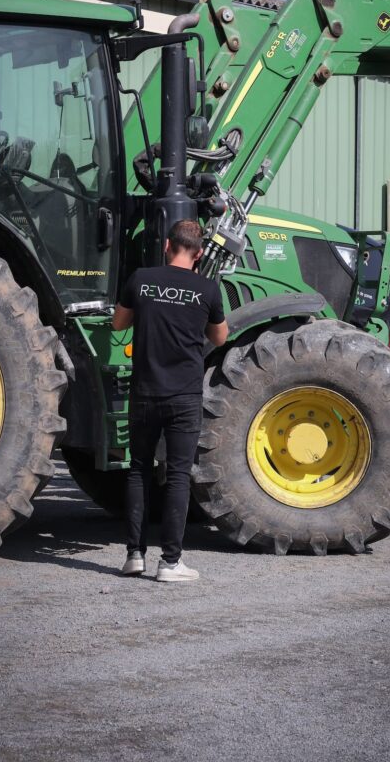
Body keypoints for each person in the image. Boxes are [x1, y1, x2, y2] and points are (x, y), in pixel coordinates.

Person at [112, 219, 228, 583]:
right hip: (184, 396)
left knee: (138, 470)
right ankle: (170, 563)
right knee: (178, 475)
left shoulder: (141, 279)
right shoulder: (207, 289)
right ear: (200, 253)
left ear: (167, 245)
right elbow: (220, 338)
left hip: (144, 392)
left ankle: (134, 556)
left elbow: (118, 324)